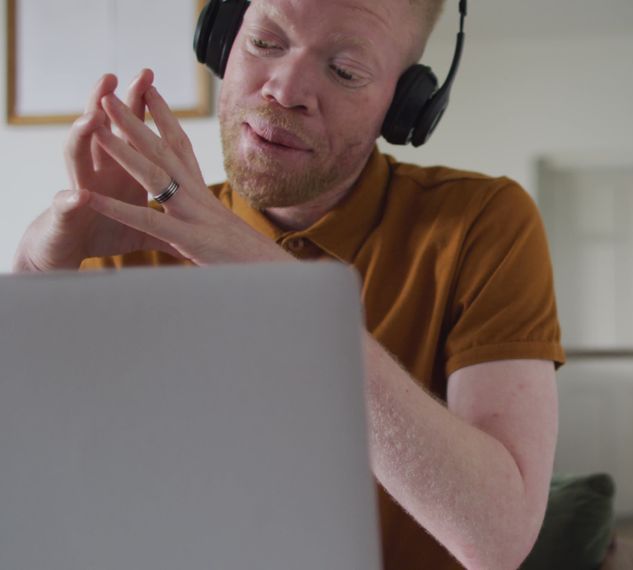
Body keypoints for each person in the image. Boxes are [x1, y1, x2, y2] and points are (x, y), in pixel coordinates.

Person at [12, 0, 564, 568]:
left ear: (404, 107)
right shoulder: (131, 226)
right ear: (223, 41)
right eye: (265, 43)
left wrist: (274, 285)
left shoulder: (484, 221)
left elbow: (497, 539)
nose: (285, 89)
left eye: (345, 71)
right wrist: (35, 276)